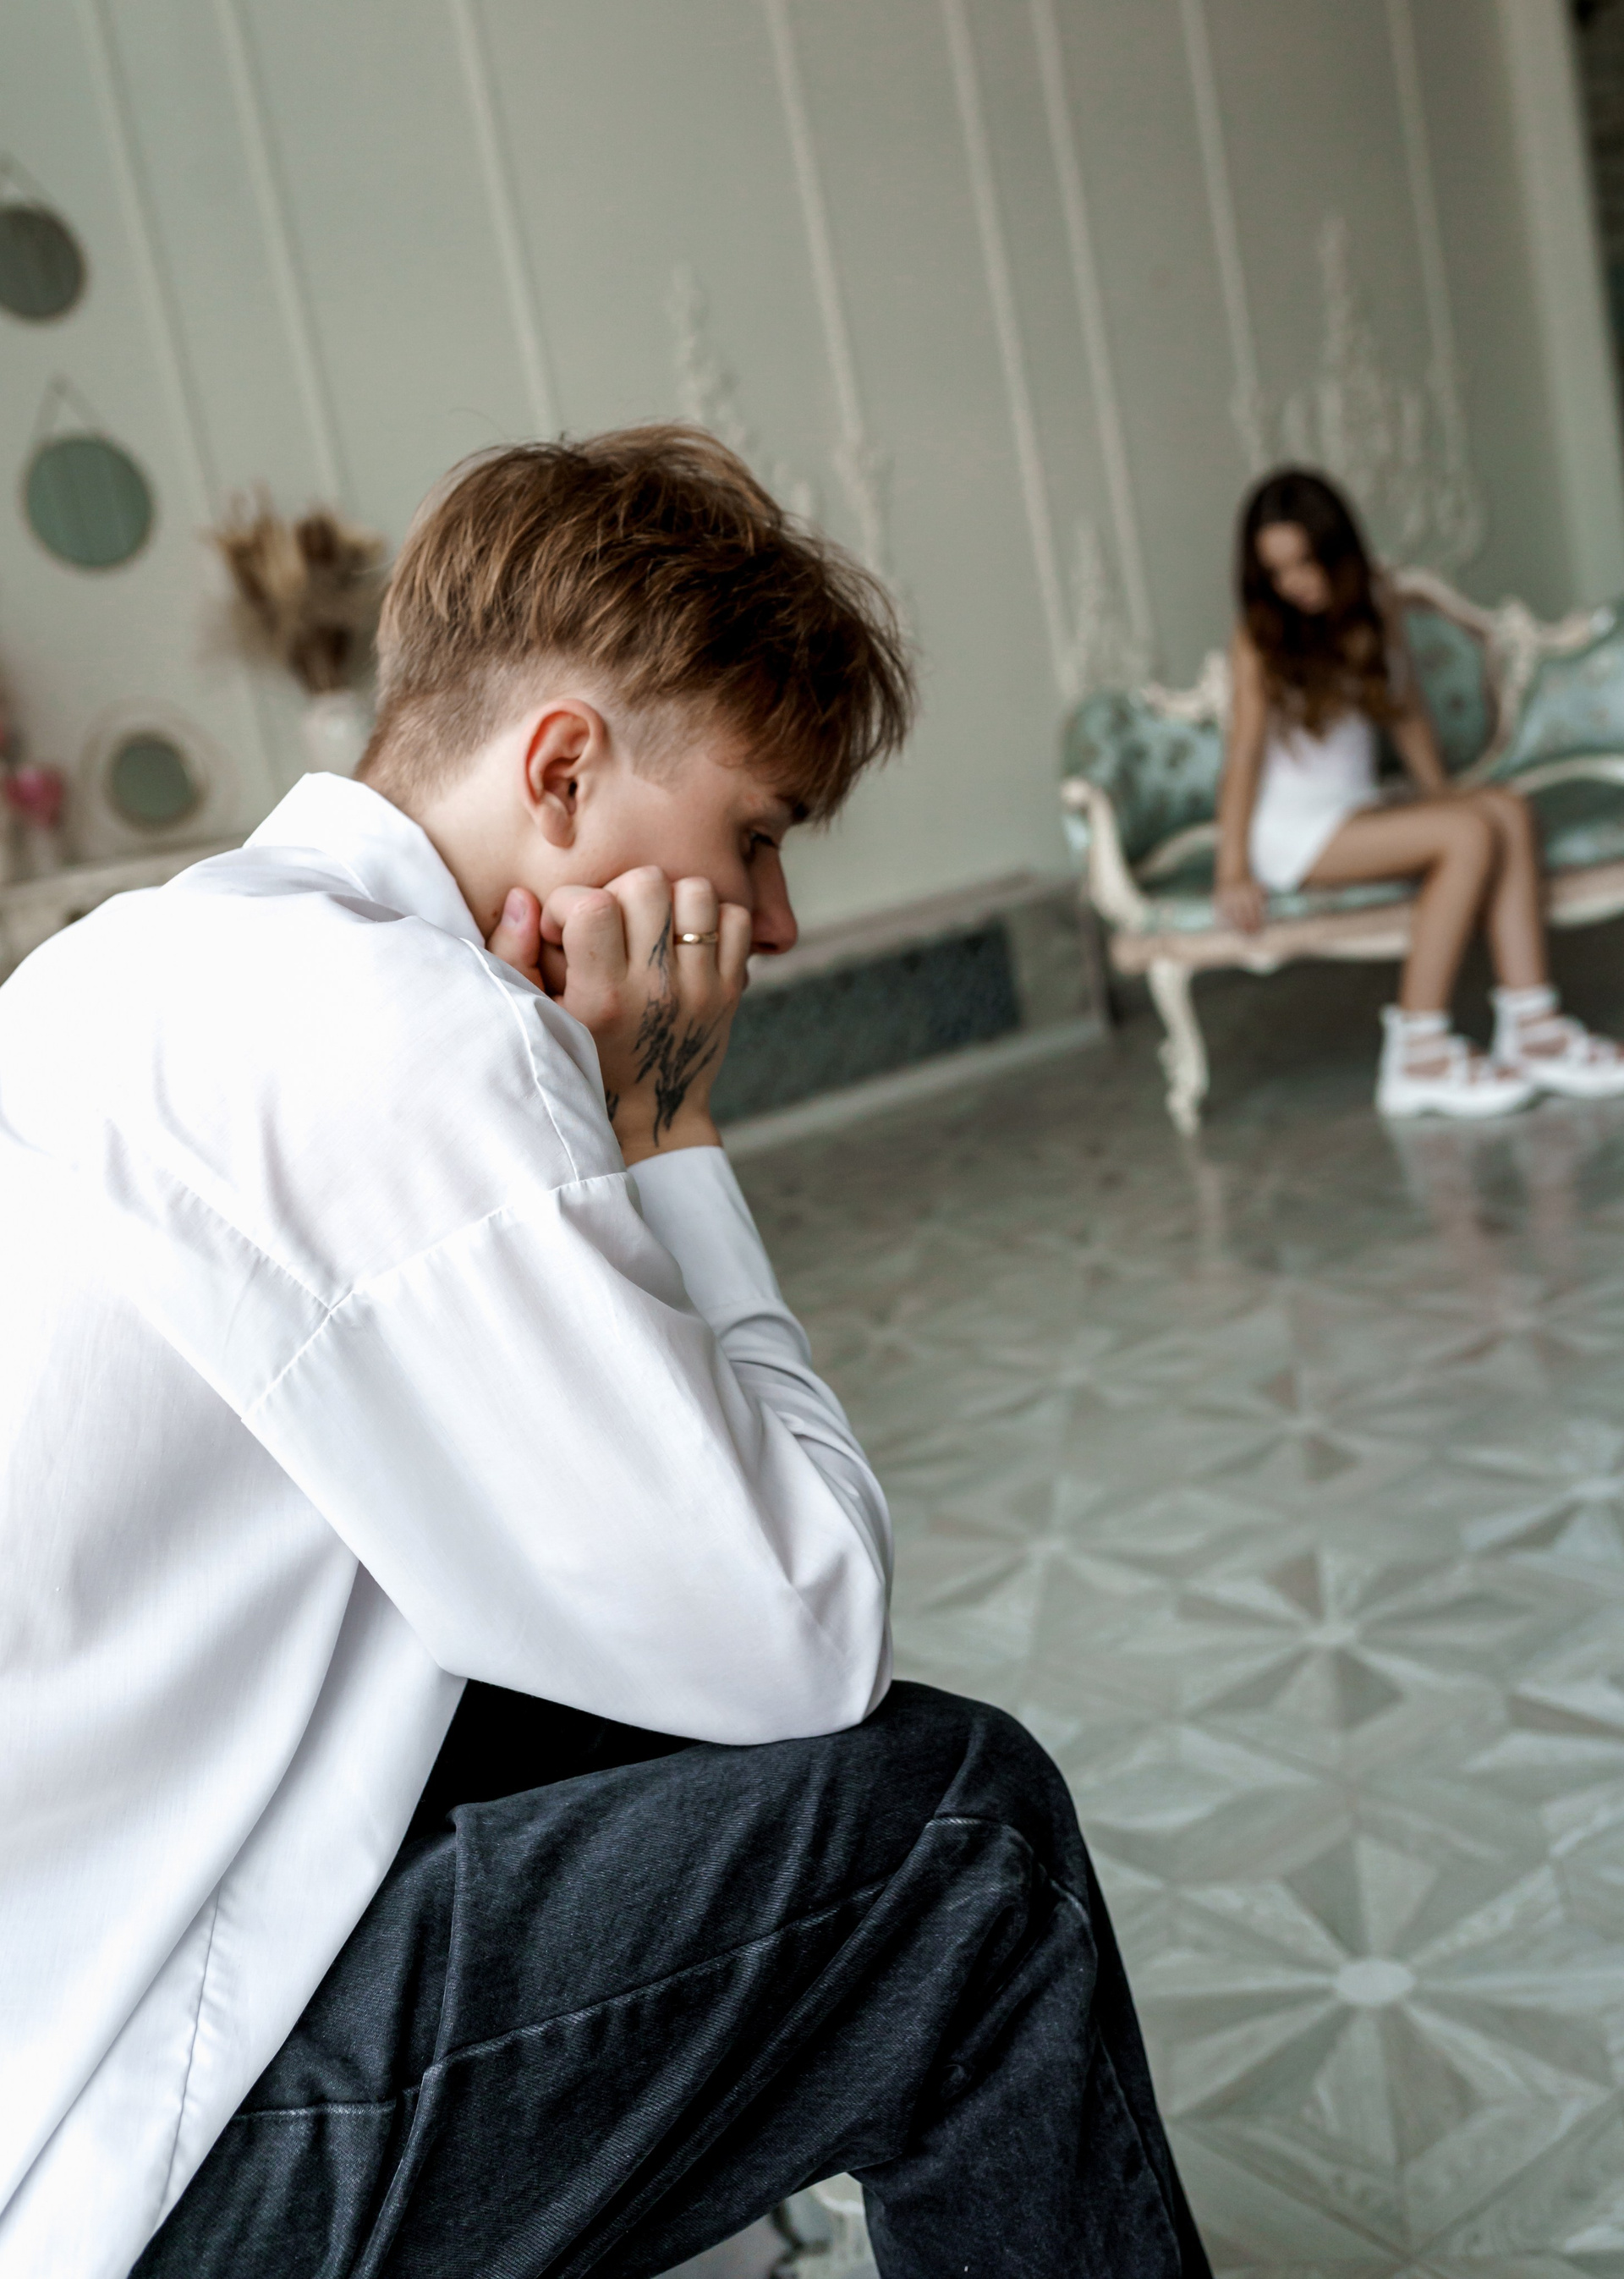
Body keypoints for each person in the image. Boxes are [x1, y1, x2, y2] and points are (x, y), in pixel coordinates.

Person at [0, 427, 1208, 2277]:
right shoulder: (401, 1029)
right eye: (759, 836)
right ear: (562, 769)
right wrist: (670, 1128)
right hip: (112, 2172)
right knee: (961, 1847)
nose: (777, 922)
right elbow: (807, 1633)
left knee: (595, 1695)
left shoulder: (121, 964)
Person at [1215, 466, 1624, 1118]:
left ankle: (1534, 1027)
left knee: (1507, 812)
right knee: (1469, 833)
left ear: (1339, 552)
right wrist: (1232, 867)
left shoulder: (1375, 600)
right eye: (1277, 572)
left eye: (1307, 563)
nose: (1295, 583)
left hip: (1352, 813)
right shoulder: (1258, 640)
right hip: (1291, 834)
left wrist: (1442, 795)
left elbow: (1405, 711)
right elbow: (1242, 759)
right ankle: (1418, 1051)